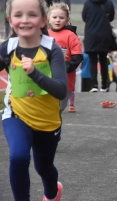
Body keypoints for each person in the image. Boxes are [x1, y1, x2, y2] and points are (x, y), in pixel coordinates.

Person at [0, 0, 67, 200]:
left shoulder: (52, 49)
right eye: (18, 15)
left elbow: (62, 90)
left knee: (44, 167)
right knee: (18, 157)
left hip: (47, 121)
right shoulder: (7, 48)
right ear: (10, 20)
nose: (25, 20)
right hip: (16, 115)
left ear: (44, 20)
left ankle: (53, 192)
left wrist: (35, 74)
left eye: (32, 15)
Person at [48, 2, 83, 113]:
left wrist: (64, 67)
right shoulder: (44, 35)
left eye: (61, 17)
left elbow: (77, 57)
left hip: (65, 81)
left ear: (67, 20)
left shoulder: (70, 35)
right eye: (54, 17)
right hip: (47, 79)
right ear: (49, 19)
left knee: (59, 109)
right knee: (49, 110)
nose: (58, 20)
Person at [82, 0, 115, 92]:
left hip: (91, 34)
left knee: (92, 61)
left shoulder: (88, 3)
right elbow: (111, 18)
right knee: (103, 60)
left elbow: (84, 18)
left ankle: (94, 85)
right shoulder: (108, 2)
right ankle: (104, 84)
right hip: (104, 34)